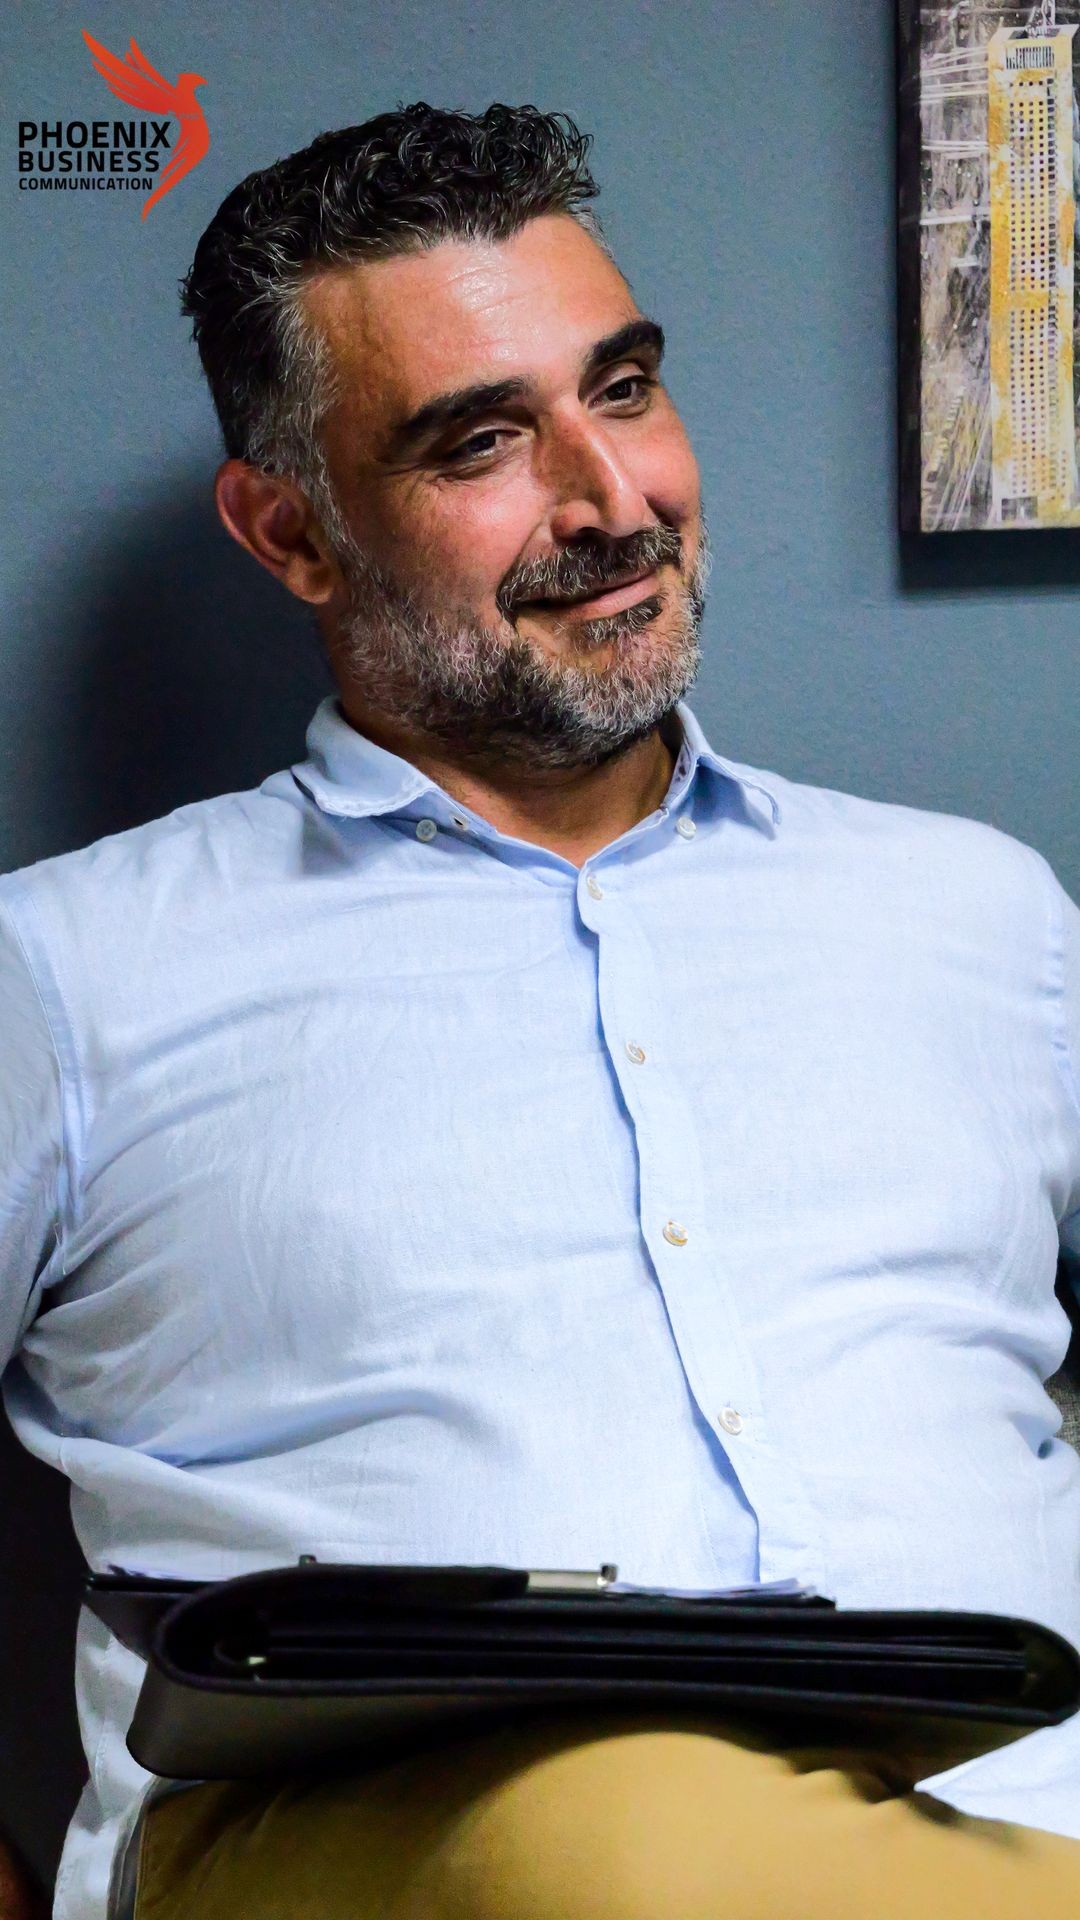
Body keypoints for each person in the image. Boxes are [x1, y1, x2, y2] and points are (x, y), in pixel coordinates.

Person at [1, 100, 1079, 1920]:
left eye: (628, 389)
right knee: (627, 1833)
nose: (615, 500)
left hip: (1012, 1822)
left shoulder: (980, 912)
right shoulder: (67, 970)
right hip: (388, 1834)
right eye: (483, 441)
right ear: (292, 535)